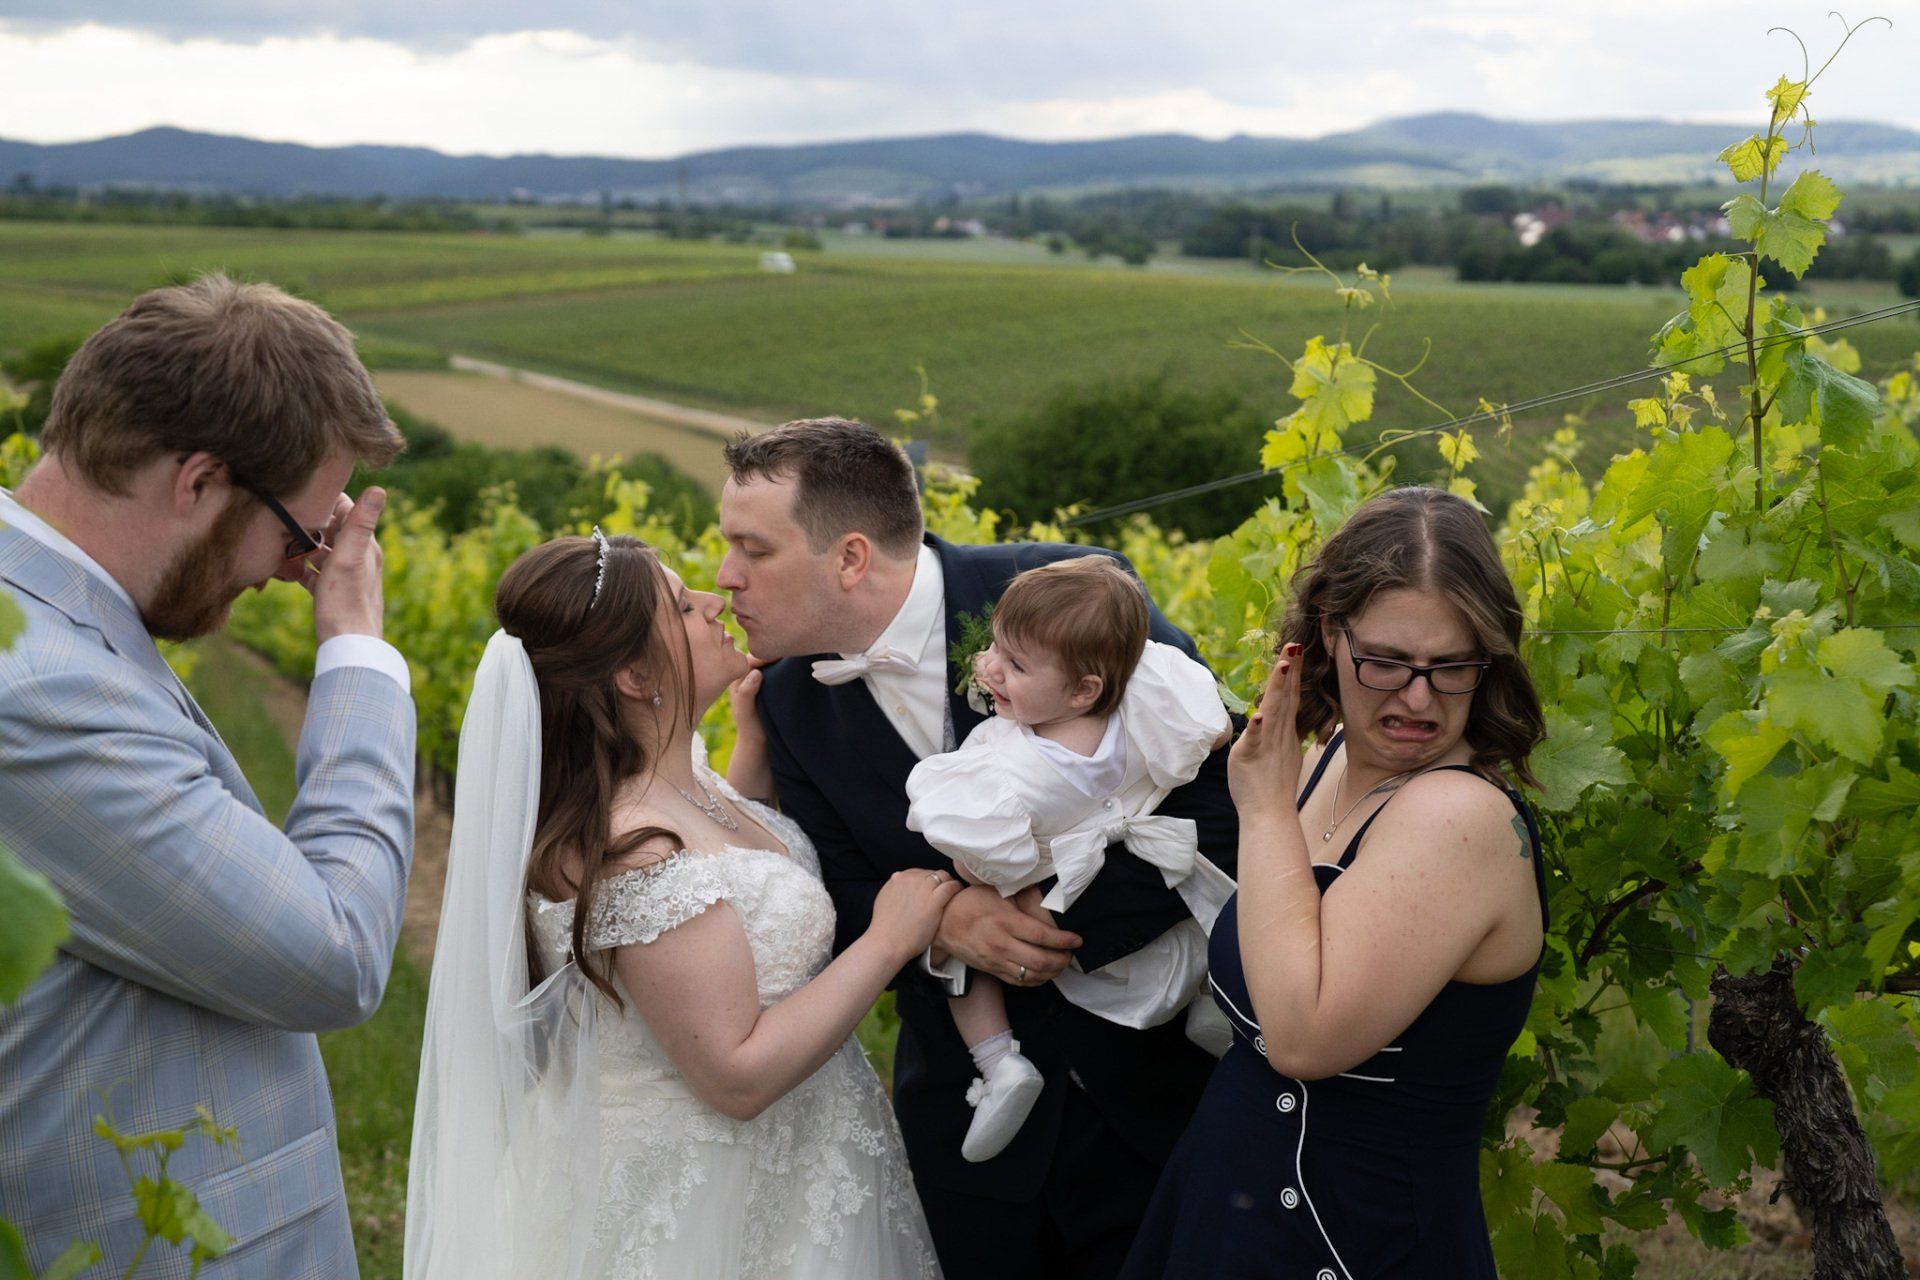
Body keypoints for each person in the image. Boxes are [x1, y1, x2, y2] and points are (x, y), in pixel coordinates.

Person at [717, 417, 1240, 1280]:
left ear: (850, 559)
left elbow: (1223, 791)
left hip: (1152, 1111)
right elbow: (835, 894)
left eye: (752, 549)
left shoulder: (1071, 590)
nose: (725, 576)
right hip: (968, 1140)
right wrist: (944, 925)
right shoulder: (788, 701)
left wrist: (1054, 922)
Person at [0, 275, 415, 1278]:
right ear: (197, 480)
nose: (289, 569)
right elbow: (333, 952)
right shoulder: (39, 689)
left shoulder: (53, 623)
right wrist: (359, 653)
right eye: (298, 532)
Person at [404, 531, 949, 1280]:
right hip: (711, 1203)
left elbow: (725, 894)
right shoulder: (631, 853)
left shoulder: (677, 781)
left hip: (801, 1165)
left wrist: (749, 756)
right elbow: (736, 1075)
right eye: (682, 605)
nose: (712, 601)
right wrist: (888, 941)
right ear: (634, 674)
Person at [1121, 486, 1549, 1279]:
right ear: (1328, 631)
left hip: (1353, 1244)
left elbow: (1303, 1038)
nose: (1418, 697)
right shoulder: (1323, 761)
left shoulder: (1458, 818)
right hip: (1223, 1207)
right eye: (1385, 661)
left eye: (1452, 667)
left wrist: (1263, 810)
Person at [905, 557, 1235, 1163]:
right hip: (1137, 868)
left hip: (1046, 891)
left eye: (1015, 665)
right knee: (1206, 899)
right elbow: (1215, 735)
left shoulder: (1014, 766)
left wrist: (975, 881)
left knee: (963, 928)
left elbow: (977, 866)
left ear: (1083, 690)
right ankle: (1214, 1000)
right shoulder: (1148, 700)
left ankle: (998, 1061)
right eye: (995, 650)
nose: (992, 668)